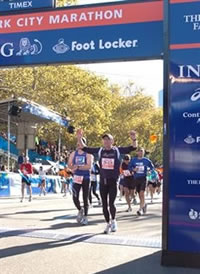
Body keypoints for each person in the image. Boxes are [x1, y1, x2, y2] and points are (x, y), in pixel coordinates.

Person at [77, 129, 138, 234]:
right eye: (104, 140)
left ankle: (114, 220)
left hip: (113, 181)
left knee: (111, 203)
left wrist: (134, 139)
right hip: (103, 181)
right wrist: (79, 137)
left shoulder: (117, 150)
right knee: (104, 205)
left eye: (108, 139)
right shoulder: (100, 151)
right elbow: (85, 148)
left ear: (112, 141)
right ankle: (107, 224)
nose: (106, 142)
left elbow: (133, 147)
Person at [68, 138, 93, 226]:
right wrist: (72, 167)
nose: (79, 146)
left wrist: (78, 167)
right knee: (75, 196)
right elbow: (69, 164)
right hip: (77, 177)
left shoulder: (88, 154)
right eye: (77, 144)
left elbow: (89, 166)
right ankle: (80, 209)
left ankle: (85, 216)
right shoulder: (73, 154)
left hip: (86, 177)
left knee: (85, 197)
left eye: (80, 144)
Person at [129, 148, 154, 216]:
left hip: (143, 178)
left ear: (143, 153)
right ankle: (144, 205)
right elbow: (129, 167)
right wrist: (133, 169)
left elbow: (152, 167)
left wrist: (149, 171)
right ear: (137, 152)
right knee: (139, 195)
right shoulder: (134, 160)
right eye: (139, 151)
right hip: (136, 178)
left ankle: (140, 209)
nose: (140, 153)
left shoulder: (146, 160)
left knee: (142, 193)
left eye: (142, 151)